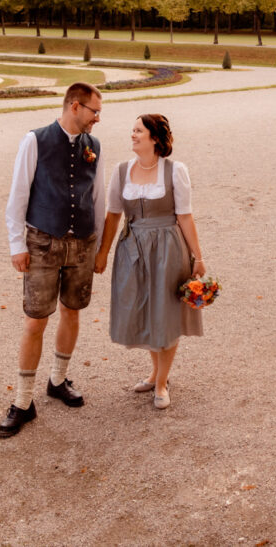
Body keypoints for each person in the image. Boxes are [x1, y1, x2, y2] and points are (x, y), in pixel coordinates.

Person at [0, 82, 105, 438]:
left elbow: (99, 198)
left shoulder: (95, 146)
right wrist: (18, 245)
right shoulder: (35, 140)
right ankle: (23, 401)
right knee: (34, 322)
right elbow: (17, 195)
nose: (97, 119)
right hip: (42, 242)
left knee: (72, 312)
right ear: (75, 107)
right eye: (94, 111)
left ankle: (57, 380)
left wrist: (100, 248)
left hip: (82, 245)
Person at [94, 114, 205, 409]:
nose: (132, 135)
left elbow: (185, 215)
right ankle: (157, 373)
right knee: (143, 310)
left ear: (155, 138)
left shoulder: (174, 171)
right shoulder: (121, 171)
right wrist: (103, 252)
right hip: (133, 248)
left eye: (138, 131)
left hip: (168, 248)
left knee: (165, 314)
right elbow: (113, 214)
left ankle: (161, 383)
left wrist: (198, 256)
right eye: (132, 130)